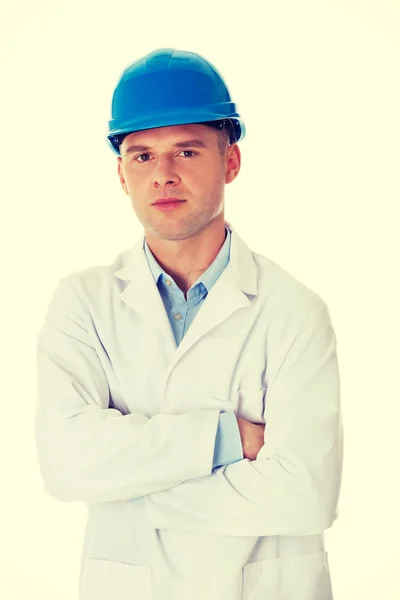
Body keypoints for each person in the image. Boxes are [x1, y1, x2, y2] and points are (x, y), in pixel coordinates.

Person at [34, 48, 344, 600]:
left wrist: (130, 488)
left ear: (230, 162)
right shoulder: (82, 303)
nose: (164, 175)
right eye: (143, 156)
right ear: (122, 175)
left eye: (186, 150)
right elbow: (64, 464)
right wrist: (227, 438)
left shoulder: (296, 311)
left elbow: (305, 495)